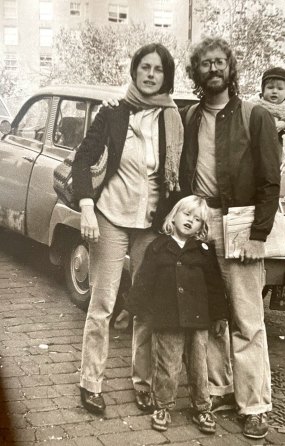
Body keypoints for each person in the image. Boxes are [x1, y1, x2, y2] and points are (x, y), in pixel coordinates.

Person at [72, 42, 184, 415]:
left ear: (166, 76)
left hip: (150, 226)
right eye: (145, 67)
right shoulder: (113, 114)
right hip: (110, 216)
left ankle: (143, 384)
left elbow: (178, 176)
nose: (151, 75)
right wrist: (87, 206)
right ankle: (90, 383)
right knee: (102, 303)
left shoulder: (172, 118)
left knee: (146, 307)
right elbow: (83, 159)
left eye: (158, 70)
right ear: (134, 71)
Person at [179, 37, 282, 439]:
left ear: (231, 69)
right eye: (206, 63)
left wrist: (259, 235)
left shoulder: (255, 117)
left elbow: (270, 181)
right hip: (202, 221)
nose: (214, 68)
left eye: (220, 61)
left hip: (240, 224)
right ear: (197, 73)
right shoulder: (190, 117)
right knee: (213, 315)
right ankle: (222, 390)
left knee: (247, 319)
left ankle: (255, 405)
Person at [123, 195, 229, 434]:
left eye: (198, 219)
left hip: (198, 320)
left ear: (203, 227)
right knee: (167, 365)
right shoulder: (158, 247)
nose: (191, 221)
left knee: (199, 366)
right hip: (167, 318)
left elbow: (214, 285)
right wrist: (130, 310)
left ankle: (202, 407)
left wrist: (220, 315)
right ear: (174, 215)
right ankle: (162, 406)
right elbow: (144, 281)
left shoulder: (203, 251)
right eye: (187, 214)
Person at [249, 67, 285, 150]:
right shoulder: (253, 103)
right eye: (270, 87)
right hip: (251, 146)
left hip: (274, 149)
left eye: (280, 88)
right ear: (263, 89)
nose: (274, 91)